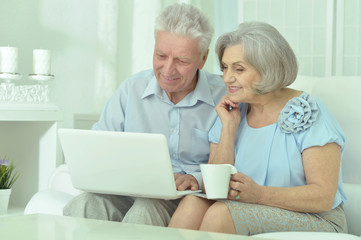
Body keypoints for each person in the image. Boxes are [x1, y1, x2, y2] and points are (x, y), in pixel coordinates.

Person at [168, 21, 347, 235]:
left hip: (317, 218)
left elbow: (323, 197)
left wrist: (260, 194)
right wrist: (228, 128)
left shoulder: (310, 111)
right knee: (191, 205)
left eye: (239, 69)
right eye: (225, 67)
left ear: (267, 68)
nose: (226, 78)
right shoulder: (233, 111)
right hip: (252, 207)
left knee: (221, 214)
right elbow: (212, 188)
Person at [62, 3, 226, 226]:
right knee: (83, 205)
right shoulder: (132, 90)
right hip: (128, 191)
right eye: (161, 55)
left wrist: (195, 179)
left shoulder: (224, 99)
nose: (168, 70)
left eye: (182, 61)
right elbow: (97, 148)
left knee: (145, 210)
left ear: (203, 59)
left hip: (186, 200)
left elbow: (235, 164)